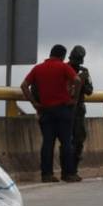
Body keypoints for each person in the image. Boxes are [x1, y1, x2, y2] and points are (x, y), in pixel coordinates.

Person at [20, 45, 82, 183]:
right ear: (63, 56)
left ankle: (46, 174)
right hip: (63, 109)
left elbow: (24, 86)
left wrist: (34, 103)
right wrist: (75, 99)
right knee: (66, 142)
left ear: (51, 54)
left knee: (48, 143)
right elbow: (77, 80)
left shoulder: (38, 68)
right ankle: (68, 174)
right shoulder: (63, 67)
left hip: (45, 110)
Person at [64, 45, 94, 178]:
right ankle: (67, 171)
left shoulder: (84, 71)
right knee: (66, 140)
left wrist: (82, 80)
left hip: (79, 109)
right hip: (65, 106)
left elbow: (89, 91)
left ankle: (74, 170)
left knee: (79, 139)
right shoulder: (64, 69)